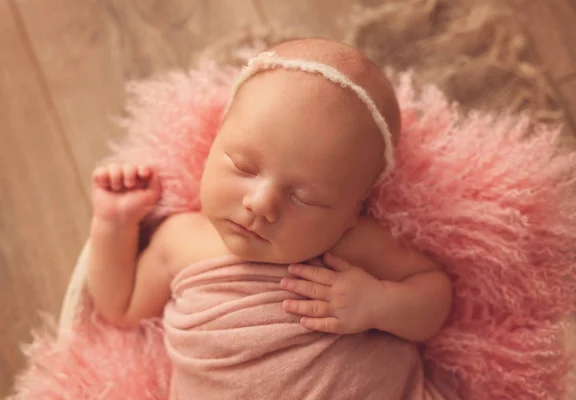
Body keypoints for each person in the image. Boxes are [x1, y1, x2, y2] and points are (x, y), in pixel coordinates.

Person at [86, 38, 455, 399]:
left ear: (350, 213)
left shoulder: (347, 243)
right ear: (215, 139)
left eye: (305, 197)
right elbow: (120, 307)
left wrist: (378, 303)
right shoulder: (179, 240)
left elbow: (434, 293)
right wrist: (113, 225)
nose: (261, 203)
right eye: (243, 167)